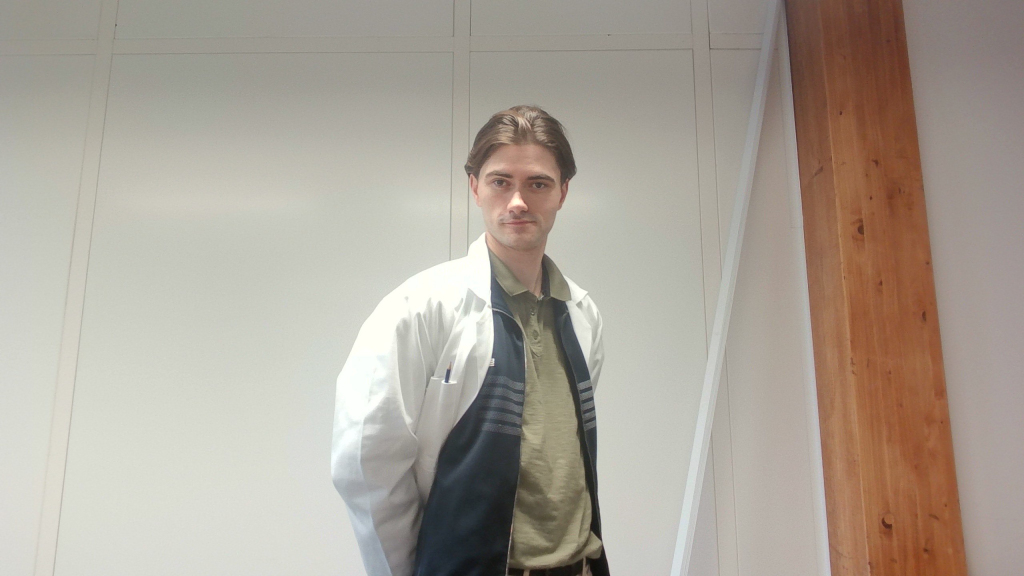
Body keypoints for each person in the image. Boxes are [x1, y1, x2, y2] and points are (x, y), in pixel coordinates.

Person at [332, 105, 609, 576]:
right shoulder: (421, 307)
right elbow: (365, 461)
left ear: (563, 193)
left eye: (538, 184)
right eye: (501, 181)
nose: (517, 201)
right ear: (475, 187)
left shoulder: (583, 315)